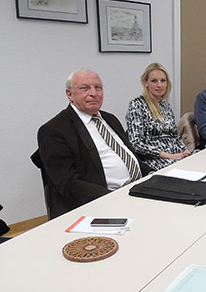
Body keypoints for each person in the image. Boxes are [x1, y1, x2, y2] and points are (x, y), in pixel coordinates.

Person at [37, 69, 151, 219]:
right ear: (70, 94)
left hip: (136, 192)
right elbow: (69, 184)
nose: (94, 93)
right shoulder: (55, 130)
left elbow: (130, 157)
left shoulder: (110, 119)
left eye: (98, 88)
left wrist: (153, 176)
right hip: (102, 203)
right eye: (85, 88)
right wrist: (117, 199)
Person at [125, 63, 191, 170]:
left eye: (163, 81)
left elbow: (175, 136)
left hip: (176, 155)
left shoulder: (165, 105)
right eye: (154, 81)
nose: (159, 85)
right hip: (155, 160)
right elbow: (136, 144)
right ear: (146, 82)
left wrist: (185, 152)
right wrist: (169, 156)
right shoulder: (137, 105)